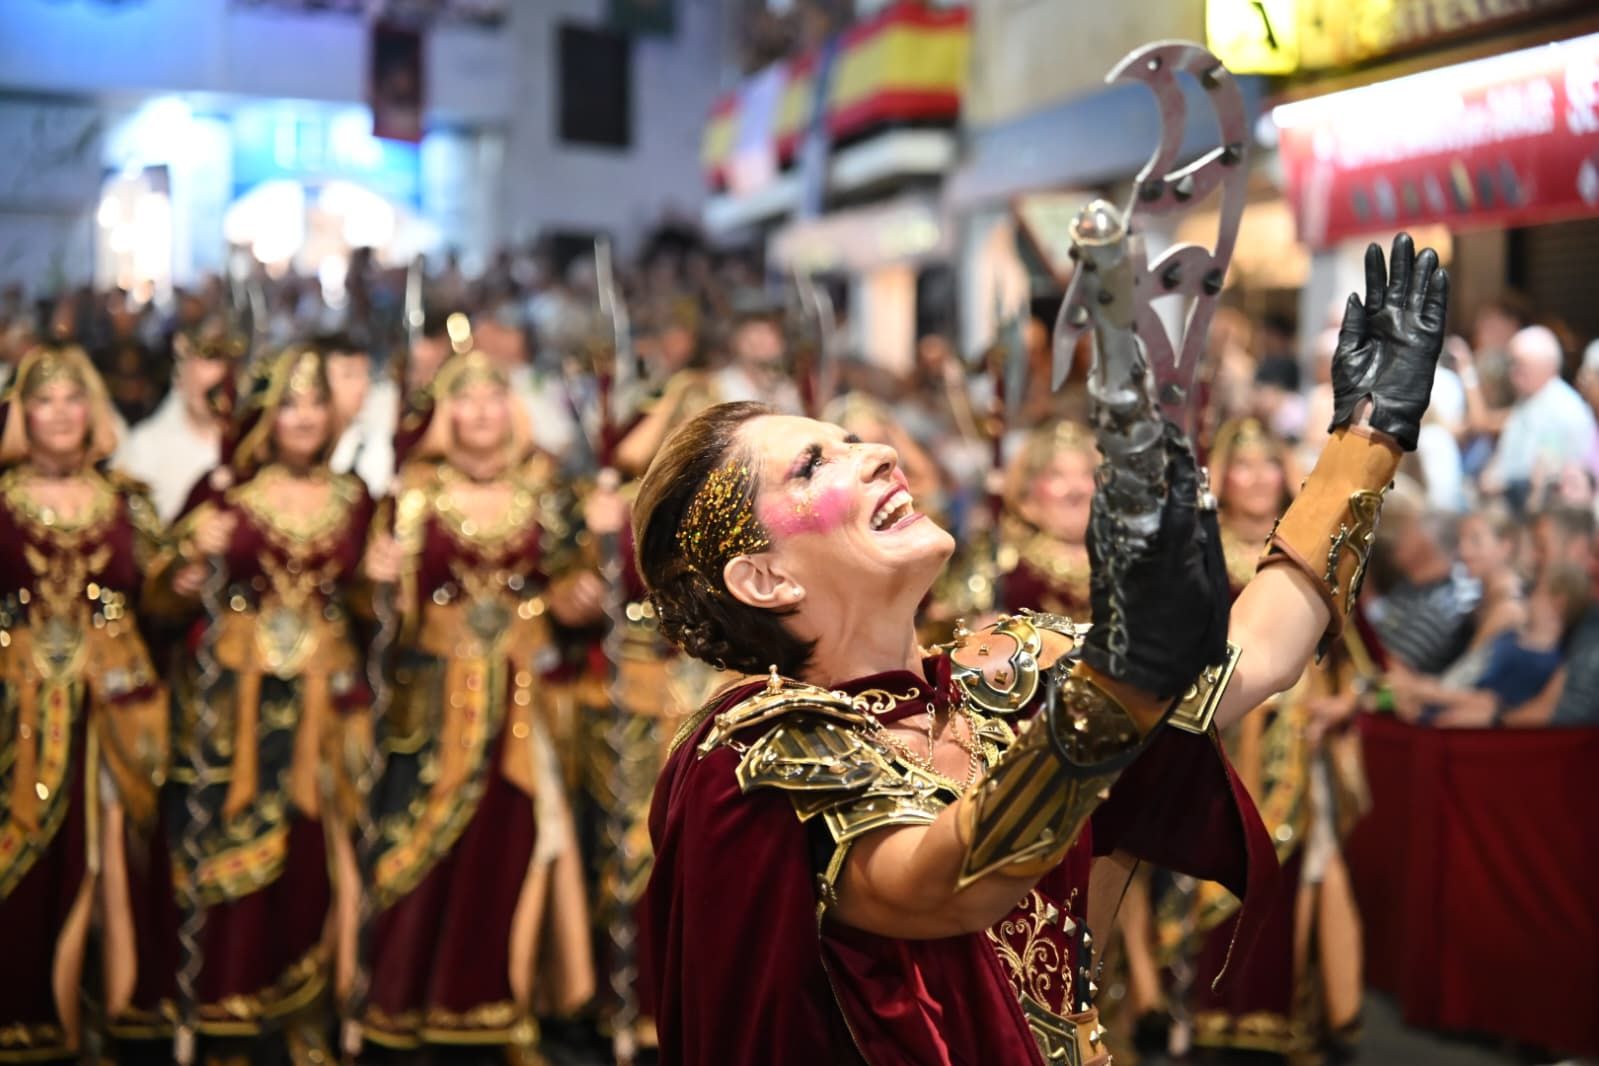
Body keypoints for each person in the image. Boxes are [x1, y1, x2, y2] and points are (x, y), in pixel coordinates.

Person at [633, 235, 1447, 1065]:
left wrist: (1364, 443)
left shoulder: (1004, 669)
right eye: (812, 465)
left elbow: (1255, 656)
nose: (877, 452)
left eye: (851, 438)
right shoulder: (755, 753)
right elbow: (939, 887)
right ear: (764, 580)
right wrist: (1114, 695)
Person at [358, 349, 595, 1056]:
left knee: (523, 841)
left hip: (525, 703)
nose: (483, 408)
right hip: (433, 706)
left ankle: (509, 1006)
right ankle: (405, 1006)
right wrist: (377, 581)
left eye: (496, 393)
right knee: (422, 849)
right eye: (465, 396)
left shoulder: (549, 490)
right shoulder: (412, 494)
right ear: (442, 414)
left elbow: (573, 580)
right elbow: (382, 622)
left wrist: (573, 595)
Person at [141, 346, 375, 1062]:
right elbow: (155, 601)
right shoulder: (221, 497)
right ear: (265, 417)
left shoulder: (356, 499)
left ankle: (302, 1013)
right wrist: (185, 571)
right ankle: (222, 1012)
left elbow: (371, 611)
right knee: (223, 845)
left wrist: (379, 579)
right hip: (231, 709)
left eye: (313, 404)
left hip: (322, 711)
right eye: (288, 405)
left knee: (313, 851)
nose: (302, 417)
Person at [0, 346, 170, 1060]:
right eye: (46, 400)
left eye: (76, 399)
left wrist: (186, 578)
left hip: (116, 709)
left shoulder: (128, 499)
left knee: (109, 863)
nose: (62, 413)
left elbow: (159, 597)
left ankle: (97, 1021)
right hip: (16, 715)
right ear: (22, 413)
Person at [115, 319, 240, 522]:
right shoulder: (145, 447)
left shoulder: (255, 449)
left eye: (232, 360)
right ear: (182, 369)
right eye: (210, 357)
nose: (223, 374)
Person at [1477, 325, 1599, 509]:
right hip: (1511, 498)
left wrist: (1504, 481)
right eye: (1511, 364)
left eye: (1519, 364)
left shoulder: (1564, 407)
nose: (1513, 372)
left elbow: (1550, 466)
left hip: (1547, 503)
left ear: (1545, 365)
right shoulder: (1528, 400)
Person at [321, 332, 397, 496]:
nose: (362, 385)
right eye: (349, 375)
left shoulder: (371, 443)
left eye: (365, 374)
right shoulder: (300, 444)